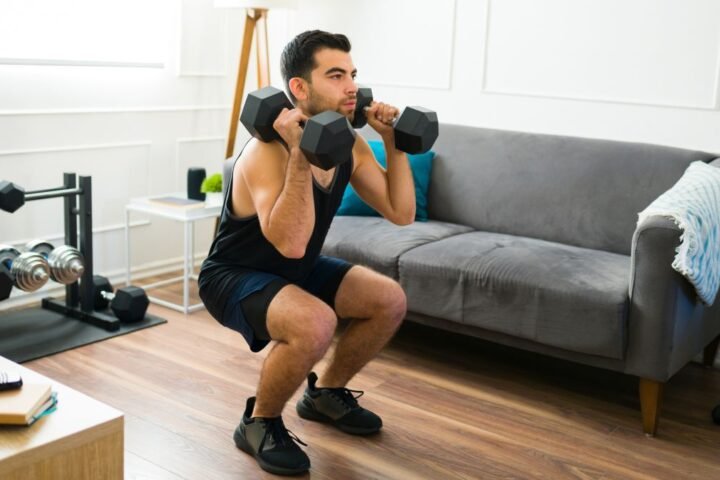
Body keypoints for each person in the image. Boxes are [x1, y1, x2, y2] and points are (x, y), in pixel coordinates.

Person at [199, 29, 415, 476]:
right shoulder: (265, 152)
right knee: (316, 322)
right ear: (299, 88)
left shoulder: (349, 144)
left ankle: (325, 394)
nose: (352, 86)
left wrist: (391, 141)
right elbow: (292, 242)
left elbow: (400, 212)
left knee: (388, 300)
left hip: (294, 268)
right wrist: (300, 155)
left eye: (352, 74)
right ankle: (259, 422)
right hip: (235, 275)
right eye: (335, 75)